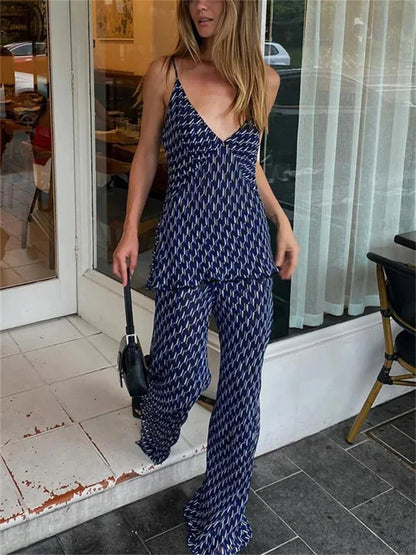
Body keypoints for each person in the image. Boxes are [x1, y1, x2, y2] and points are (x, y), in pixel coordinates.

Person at [112, 0, 300, 553]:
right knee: (180, 370)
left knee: (241, 392)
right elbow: (147, 154)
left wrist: (282, 222)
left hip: (247, 249)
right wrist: (129, 230)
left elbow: (249, 163)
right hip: (186, 242)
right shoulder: (166, 72)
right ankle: (161, 421)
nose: (200, 5)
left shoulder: (264, 81)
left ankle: (221, 514)